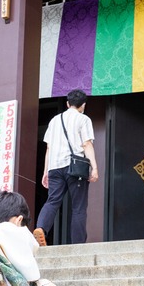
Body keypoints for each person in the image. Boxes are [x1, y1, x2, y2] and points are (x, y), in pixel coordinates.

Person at [36, 89, 98, 244]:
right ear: (83, 105)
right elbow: (86, 144)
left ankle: (41, 228)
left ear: (67, 103)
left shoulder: (54, 120)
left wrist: (45, 171)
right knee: (78, 207)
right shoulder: (83, 119)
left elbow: (48, 148)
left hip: (54, 168)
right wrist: (94, 168)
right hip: (75, 167)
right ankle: (78, 244)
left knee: (52, 201)